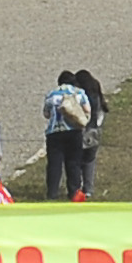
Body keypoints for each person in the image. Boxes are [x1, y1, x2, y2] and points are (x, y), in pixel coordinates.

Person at [43, 72, 93, 202]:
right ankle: (74, 192)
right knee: (73, 163)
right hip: (74, 131)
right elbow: (87, 110)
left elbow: (46, 114)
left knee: (54, 164)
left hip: (54, 133)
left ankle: (52, 193)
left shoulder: (51, 94)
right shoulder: (79, 93)